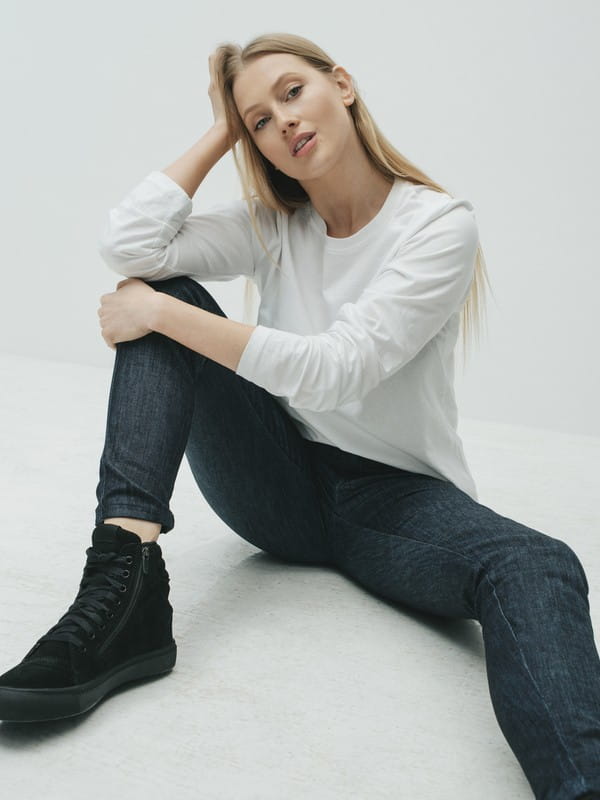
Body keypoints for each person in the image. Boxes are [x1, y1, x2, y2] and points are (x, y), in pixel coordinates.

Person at [1, 30, 598, 799]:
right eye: (258, 120)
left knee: (535, 562)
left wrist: (160, 314)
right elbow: (129, 243)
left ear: (341, 85)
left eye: (292, 92)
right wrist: (221, 130)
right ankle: (121, 593)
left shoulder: (437, 226)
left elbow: (336, 372)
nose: (281, 120)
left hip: (395, 499)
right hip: (273, 475)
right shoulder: (275, 224)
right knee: (167, 293)